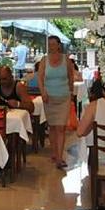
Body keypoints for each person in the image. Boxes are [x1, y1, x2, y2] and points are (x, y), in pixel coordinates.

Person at [37, 35, 78, 170]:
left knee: (61, 127)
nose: (51, 47)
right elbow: (40, 77)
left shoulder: (66, 60)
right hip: (49, 98)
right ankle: (55, 153)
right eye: (49, 45)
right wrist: (43, 92)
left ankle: (60, 158)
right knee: (53, 127)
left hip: (63, 97)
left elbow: (71, 76)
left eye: (53, 44)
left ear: (59, 45)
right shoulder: (44, 60)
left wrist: (71, 92)